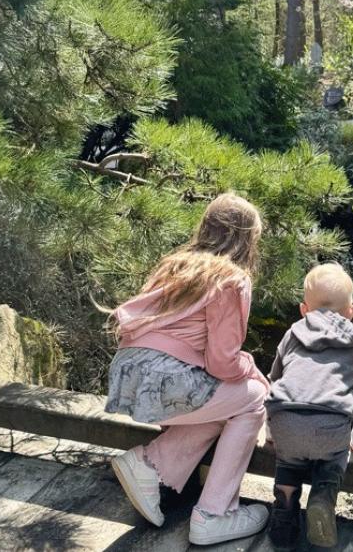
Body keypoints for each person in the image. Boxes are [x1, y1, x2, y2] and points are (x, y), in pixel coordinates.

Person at [105, 193, 271, 545]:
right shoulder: (232, 278)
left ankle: (149, 467)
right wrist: (253, 370)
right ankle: (214, 513)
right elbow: (222, 362)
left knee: (219, 406)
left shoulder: (177, 263)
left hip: (129, 371)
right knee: (254, 398)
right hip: (166, 377)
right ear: (247, 239)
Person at [265, 263, 353, 549]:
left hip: (285, 421)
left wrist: (270, 435)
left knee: (287, 461)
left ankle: (284, 513)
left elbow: (274, 383)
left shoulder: (293, 332)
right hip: (330, 427)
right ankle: (323, 498)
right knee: (333, 460)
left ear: (304, 309)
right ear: (351, 312)